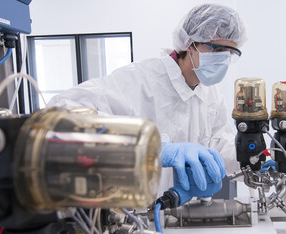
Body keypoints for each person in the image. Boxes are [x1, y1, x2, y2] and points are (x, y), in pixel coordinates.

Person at [48, 3, 247, 194]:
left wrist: (255, 158)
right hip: (131, 217)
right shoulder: (139, 80)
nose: (223, 60)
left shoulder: (211, 95)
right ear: (189, 44)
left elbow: (222, 145)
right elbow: (60, 113)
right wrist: (151, 146)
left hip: (178, 216)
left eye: (230, 53)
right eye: (217, 49)